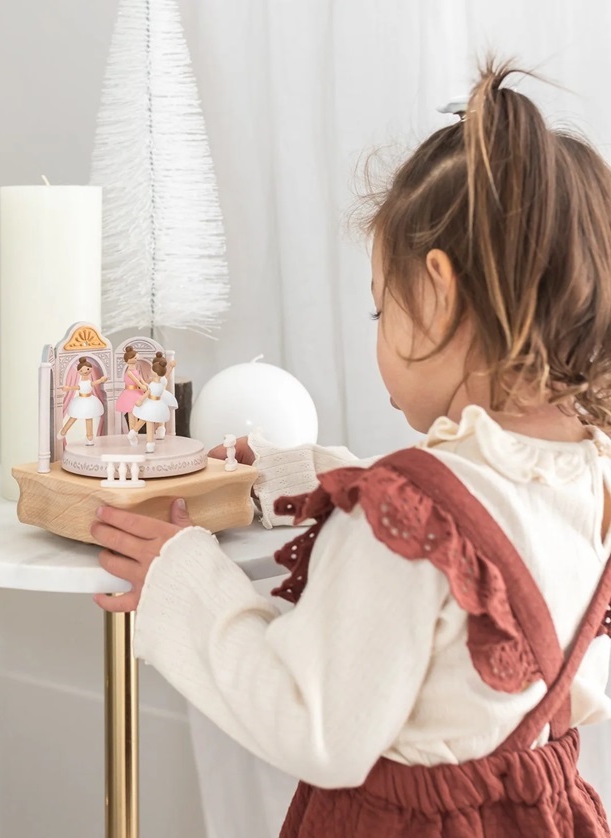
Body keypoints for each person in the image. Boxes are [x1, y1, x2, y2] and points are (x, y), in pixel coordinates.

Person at [89, 59, 611, 836]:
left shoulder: (406, 516)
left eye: (378, 311)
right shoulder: (586, 474)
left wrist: (182, 582)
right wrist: (302, 474)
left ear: (437, 292)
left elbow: (315, 727)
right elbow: (475, 519)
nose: (377, 337)